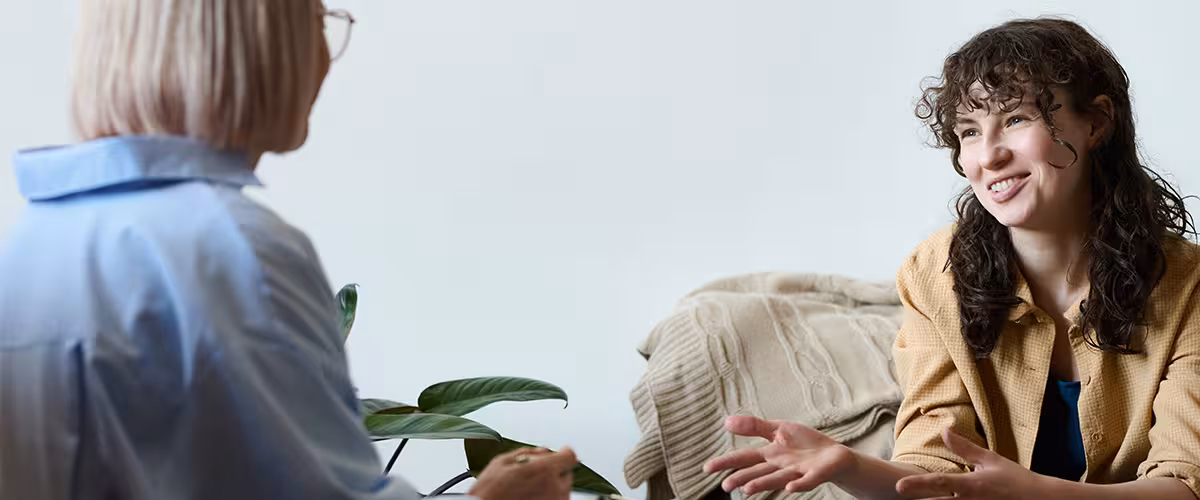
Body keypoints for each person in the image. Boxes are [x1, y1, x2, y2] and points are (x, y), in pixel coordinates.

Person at [0, 1, 577, 499]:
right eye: (316, 19)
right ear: (256, 41)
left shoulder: (29, 244)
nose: (325, 53)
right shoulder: (229, 252)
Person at [704, 17, 1200, 500]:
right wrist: (851, 467)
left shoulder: (1188, 283)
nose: (987, 157)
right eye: (968, 131)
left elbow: (1185, 481)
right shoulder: (933, 272)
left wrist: (1033, 493)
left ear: (1096, 122)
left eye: (1016, 119)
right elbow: (932, 468)